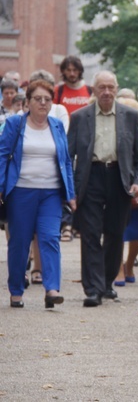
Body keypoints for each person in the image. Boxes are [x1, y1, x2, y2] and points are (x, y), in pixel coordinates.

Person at [68, 71, 138, 307]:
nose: (106, 92)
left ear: (116, 88)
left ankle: (107, 283)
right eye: (101, 87)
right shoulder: (80, 117)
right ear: (93, 90)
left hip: (118, 177)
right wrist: (71, 189)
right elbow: (68, 155)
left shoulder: (130, 116)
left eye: (110, 87)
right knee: (91, 233)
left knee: (115, 233)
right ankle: (92, 289)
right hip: (90, 177)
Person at [2, 80, 75, 308]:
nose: (43, 103)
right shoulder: (15, 124)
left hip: (51, 193)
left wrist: (71, 194)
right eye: (38, 99)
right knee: (20, 242)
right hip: (21, 192)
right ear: (28, 102)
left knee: (50, 238)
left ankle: (51, 289)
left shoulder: (56, 126)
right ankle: (16, 290)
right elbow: (2, 155)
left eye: (47, 99)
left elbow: (65, 161)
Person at [113, 98, 138, 287]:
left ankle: (129, 264)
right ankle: (118, 267)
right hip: (116, 184)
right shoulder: (111, 131)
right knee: (117, 228)